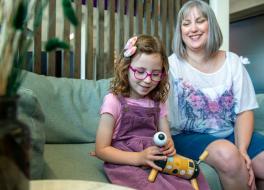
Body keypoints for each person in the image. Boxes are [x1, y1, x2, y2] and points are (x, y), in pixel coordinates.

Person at [168, 1, 264, 190]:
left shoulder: (233, 61)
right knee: (228, 155)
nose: (193, 29)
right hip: (186, 136)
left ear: (210, 24)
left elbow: (244, 111)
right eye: (186, 23)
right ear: (180, 31)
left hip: (228, 132)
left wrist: (242, 149)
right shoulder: (170, 66)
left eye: (200, 21)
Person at [95, 34, 209, 190]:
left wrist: (169, 146)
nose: (148, 80)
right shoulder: (113, 101)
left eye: (155, 74)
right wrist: (139, 158)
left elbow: (167, 139)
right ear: (126, 68)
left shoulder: (158, 103)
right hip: (127, 161)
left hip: (155, 156)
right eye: (140, 71)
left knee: (194, 176)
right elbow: (101, 150)